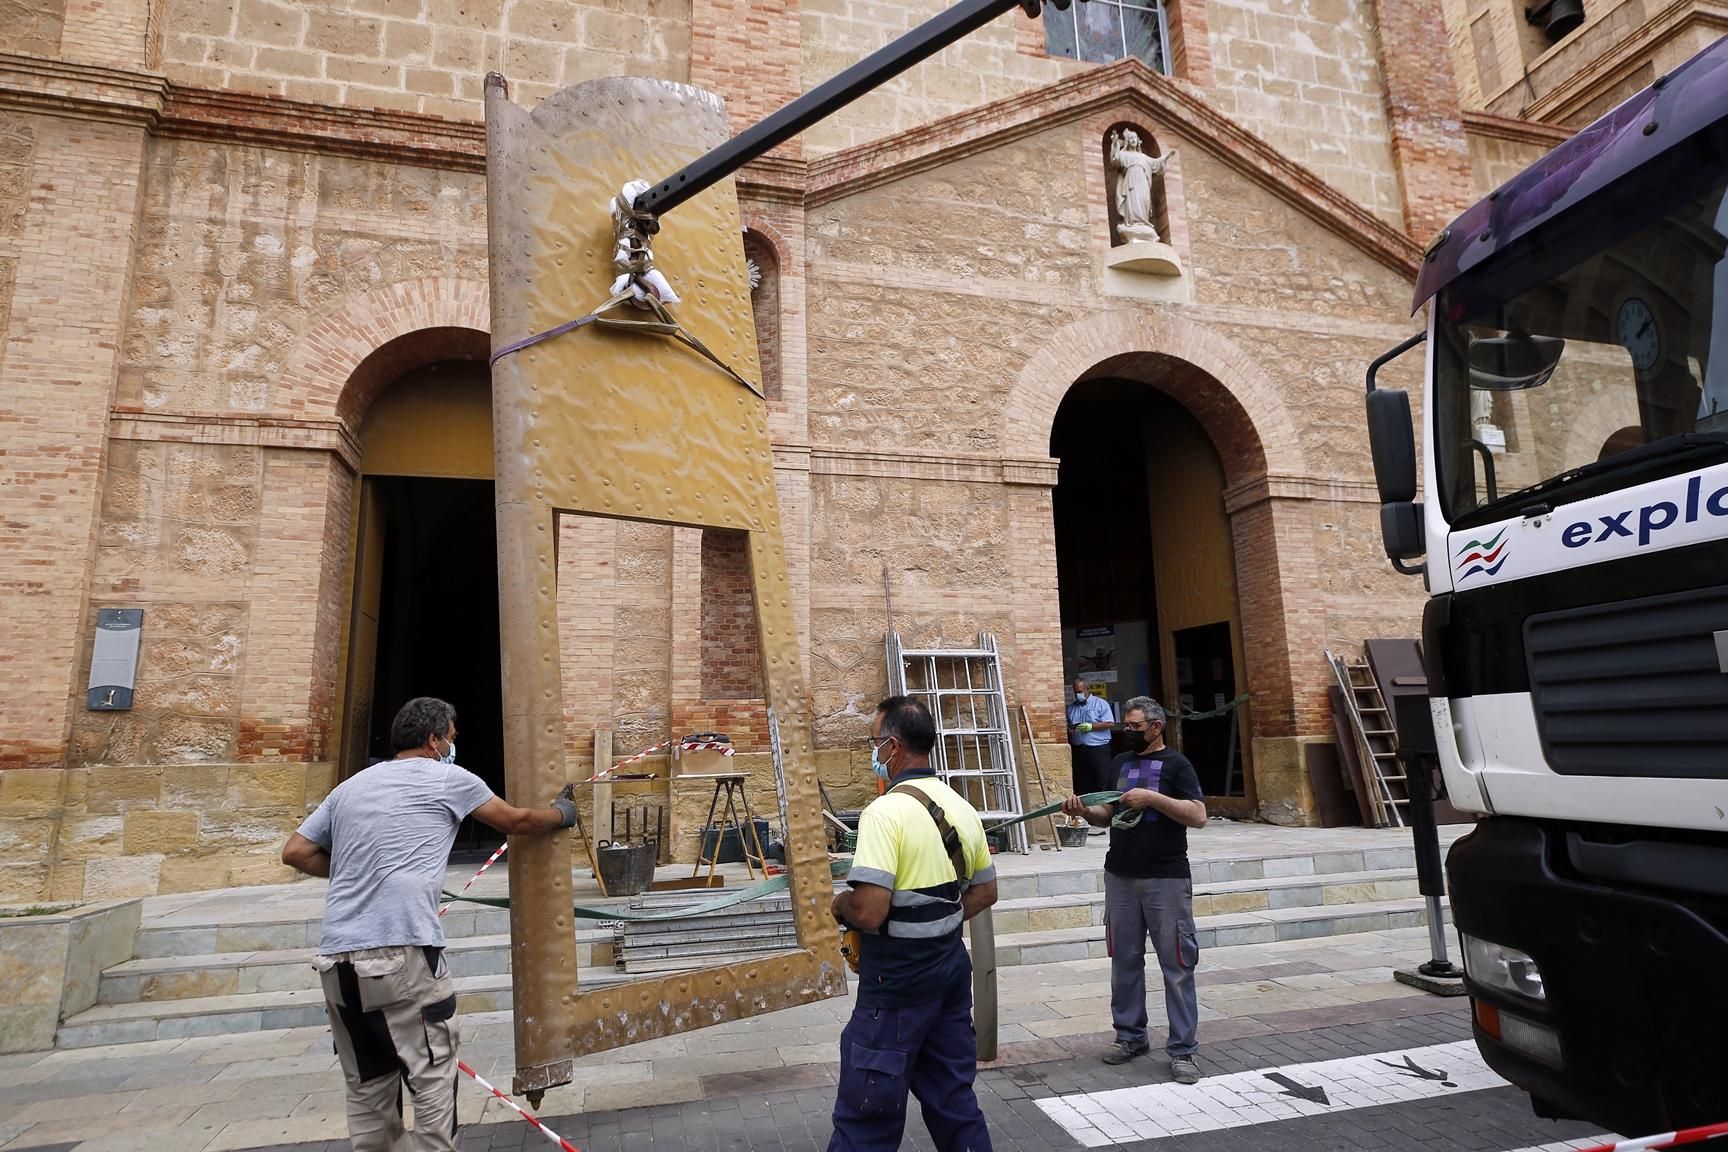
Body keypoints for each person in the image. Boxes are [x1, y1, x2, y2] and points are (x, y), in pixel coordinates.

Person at [281, 697, 578, 1152]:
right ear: (433, 739)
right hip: (401, 953)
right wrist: (562, 814)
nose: (453, 746)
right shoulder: (447, 778)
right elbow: (515, 820)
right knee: (433, 1073)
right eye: (452, 738)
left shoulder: (350, 787)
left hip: (336, 961)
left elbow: (296, 852)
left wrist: (358, 870)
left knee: (367, 1083)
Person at [829, 696, 1000, 1152]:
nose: (873, 754)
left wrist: (840, 905)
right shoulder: (962, 808)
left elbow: (869, 911)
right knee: (953, 1101)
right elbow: (986, 892)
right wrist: (938, 920)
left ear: (892, 745)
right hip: (948, 972)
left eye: (874, 743)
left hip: (897, 982)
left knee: (867, 1114)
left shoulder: (884, 813)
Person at [1061, 696, 1207, 1085]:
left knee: (1177, 965)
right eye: (1126, 725)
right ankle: (1130, 1037)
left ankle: (1183, 1050)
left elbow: (1199, 815)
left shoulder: (1177, 764)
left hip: (1166, 878)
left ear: (1156, 727)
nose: (1128, 732)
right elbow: (1106, 814)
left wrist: (1153, 798)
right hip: (1120, 876)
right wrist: (1081, 810)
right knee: (1124, 960)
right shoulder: (1119, 764)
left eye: (1135, 727)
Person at [1066, 676, 1116, 800]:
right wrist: (1070, 729)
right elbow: (1068, 726)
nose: (1078, 694)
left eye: (1080, 691)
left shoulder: (1100, 704)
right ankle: (1087, 812)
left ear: (1087, 690)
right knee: (1083, 782)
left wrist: (1091, 726)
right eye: (1076, 692)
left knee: (1102, 780)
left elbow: (1110, 723)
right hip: (1079, 750)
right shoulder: (1072, 708)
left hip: (1098, 749)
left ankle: (1105, 808)